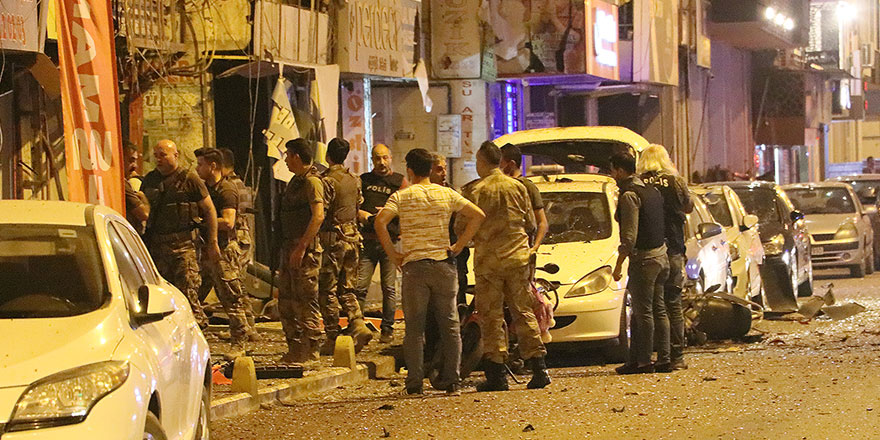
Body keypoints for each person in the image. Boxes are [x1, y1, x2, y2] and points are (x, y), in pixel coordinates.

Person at [374, 148, 485, 395]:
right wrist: (459, 244)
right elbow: (478, 215)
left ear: (410, 171)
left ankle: (414, 384)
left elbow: (380, 222)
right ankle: (453, 381)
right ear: (429, 169)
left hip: (414, 267)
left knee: (414, 328)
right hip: (444, 265)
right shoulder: (446, 194)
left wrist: (393, 254)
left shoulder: (401, 197)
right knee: (451, 325)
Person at [459, 141, 551, 391]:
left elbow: (461, 227)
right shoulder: (518, 187)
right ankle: (539, 368)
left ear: (482, 162)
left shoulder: (473, 190)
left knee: (492, 316)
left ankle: (497, 374)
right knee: (524, 311)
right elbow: (531, 224)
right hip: (518, 258)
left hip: (489, 262)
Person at [141, 139, 220, 330]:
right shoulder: (150, 180)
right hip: (157, 249)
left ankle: (198, 339)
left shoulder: (189, 179)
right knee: (161, 299)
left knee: (189, 296)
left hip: (183, 248)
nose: (158, 159)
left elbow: (209, 210)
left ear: (175, 156)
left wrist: (212, 242)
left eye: (163, 155)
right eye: (156, 155)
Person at [609, 152, 670, 375]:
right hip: (661, 256)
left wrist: (618, 265)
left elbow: (629, 237)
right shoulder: (651, 190)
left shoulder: (629, 196)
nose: (612, 175)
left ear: (621, 171)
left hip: (644, 260)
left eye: (613, 170)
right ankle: (664, 358)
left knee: (642, 312)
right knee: (659, 309)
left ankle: (643, 362)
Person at [194, 148, 258, 358]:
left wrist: (201, 222)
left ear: (213, 166)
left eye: (201, 164)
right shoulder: (206, 188)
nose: (197, 168)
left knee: (232, 299)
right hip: (206, 251)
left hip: (223, 252)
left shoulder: (226, 189)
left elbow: (228, 222)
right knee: (193, 297)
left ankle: (240, 343)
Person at [638, 144, 693, 371]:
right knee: (673, 302)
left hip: (650, 249)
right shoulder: (675, 181)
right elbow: (688, 207)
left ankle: (656, 354)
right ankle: (676, 356)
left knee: (653, 305)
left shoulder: (640, 184)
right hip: (674, 248)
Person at [319, 138, 374, 355]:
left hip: (333, 240)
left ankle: (332, 336)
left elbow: (321, 212)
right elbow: (358, 205)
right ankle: (357, 323)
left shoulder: (326, 181)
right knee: (348, 287)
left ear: (328, 156)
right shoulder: (355, 179)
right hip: (354, 238)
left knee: (328, 289)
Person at [277, 138, 326, 363]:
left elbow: (318, 216)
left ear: (296, 156)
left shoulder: (312, 182)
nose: (286, 160)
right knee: (286, 299)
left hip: (304, 249)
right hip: (289, 246)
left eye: (288, 155)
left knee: (306, 299)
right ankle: (295, 347)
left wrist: (302, 247)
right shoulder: (295, 181)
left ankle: (312, 348)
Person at [357, 144, 409, 343]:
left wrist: (388, 214)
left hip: (390, 242)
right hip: (368, 241)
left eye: (385, 158)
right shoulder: (364, 181)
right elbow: (355, 205)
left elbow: (406, 208)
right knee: (360, 287)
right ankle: (358, 327)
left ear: (391, 158)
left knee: (389, 288)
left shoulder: (398, 181)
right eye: (377, 158)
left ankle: (387, 329)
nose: (381, 162)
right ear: (372, 159)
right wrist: (363, 215)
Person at [500, 143, 549, 265]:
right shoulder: (499, 187)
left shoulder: (527, 186)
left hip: (521, 254)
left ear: (511, 164)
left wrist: (534, 248)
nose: (498, 168)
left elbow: (542, 222)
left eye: (500, 163)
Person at [123, 143, 149, 234]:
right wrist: (144, 199)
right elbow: (144, 214)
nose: (135, 166)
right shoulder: (122, 184)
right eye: (131, 161)